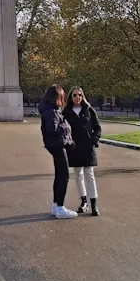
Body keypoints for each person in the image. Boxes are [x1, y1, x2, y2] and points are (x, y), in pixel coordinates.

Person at [39, 84, 77, 219]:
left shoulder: (51, 110)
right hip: (57, 145)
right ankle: (60, 206)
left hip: (56, 145)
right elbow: (52, 130)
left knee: (60, 174)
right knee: (64, 175)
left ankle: (56, 205)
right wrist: (65, 128)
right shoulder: (51, 112)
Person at [63, 86, 103, 216]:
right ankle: (83, 201)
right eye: (75, 95)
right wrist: (67, 143)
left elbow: (97, 128)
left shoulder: (89, 110)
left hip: (87, 146)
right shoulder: (66, 112)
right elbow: (63, 130)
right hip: (74, 147)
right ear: (71, 97)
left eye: (79, 95)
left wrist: (93, 140)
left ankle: (94, 204)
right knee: (78, 175)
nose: (77, 97)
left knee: (89, 174)